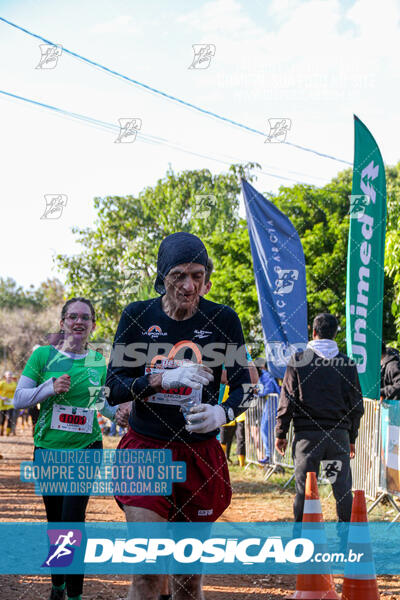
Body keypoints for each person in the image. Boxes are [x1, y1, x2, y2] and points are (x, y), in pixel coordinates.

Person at [106, 232, 252, 600]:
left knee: (188, 582)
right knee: (148, 574)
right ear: (162, 276)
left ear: (207, 278)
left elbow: (246, 388)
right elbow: (113, 387)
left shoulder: (223, 319)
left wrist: (222, 412)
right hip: (147, 451)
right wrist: (160, 378)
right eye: (179, 275)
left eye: (198, 276)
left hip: (199, 456)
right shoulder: (138, 316)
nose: (189, 286)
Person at [14, 297, 116, 600]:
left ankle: (74, 595)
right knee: (56, 521)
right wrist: (48, 387)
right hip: (48, 450)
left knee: (72, 521)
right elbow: (19, 398)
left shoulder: (98, 361)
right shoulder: (43, 356)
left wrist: (119, 413)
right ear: (62, 323)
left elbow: (101, 403)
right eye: (72, 316)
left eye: (85, 317)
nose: (78, 322)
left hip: (87, 447)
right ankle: (57, 585)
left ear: (93, 325)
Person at [275, 313, 364, 522]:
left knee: (304, 490)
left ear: (313, 332)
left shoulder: (298, 361)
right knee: (342, 489)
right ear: (334, 334)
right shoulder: (347, 364)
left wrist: (281, 432)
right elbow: (356, 405)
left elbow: (287, 399)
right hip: (337, 437)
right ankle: (347, 539)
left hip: (307, 439)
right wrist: (351, 437)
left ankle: (300, 540)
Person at [258, 363, 281, 465]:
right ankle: (270, 456)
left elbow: (269, 388)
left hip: (273, 402)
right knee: (265, 429)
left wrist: (257, 392)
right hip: (270, 403)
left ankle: (270, 456)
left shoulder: (265, 375)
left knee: (266, 429)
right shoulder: (264, 374)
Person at [0, 371, 17, 435]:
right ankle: (1, 431)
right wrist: (2, 397)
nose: (9, 376)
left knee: (10, 417)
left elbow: (17, 392)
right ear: (5, 376)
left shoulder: (14, 384)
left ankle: (8, 432)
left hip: (11, 403)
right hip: (3, 403)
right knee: (2, 418)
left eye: (10, 375)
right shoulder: (2, 383)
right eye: (8, 375)